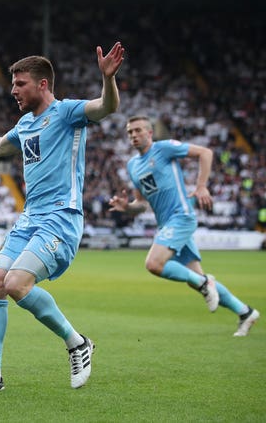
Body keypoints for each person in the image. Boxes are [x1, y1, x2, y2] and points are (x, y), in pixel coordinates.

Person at [0, 42, 125, 392]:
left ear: (42, 84)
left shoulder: (68, 112)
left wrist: (107, 79)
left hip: (60, 218)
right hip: (30, 219)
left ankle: (76, 342)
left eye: (20, 84)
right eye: (12, 84)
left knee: (16, 284)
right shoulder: (24, 123)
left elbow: (107, 107)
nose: (13, 91)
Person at [108, 115, 260, 336]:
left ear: (149, 133)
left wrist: (201, 187)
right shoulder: (132, 166)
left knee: (154, 264)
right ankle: (245, 312)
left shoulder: (164, 148)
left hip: (181, 216)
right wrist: (127, 207)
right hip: (166, 224)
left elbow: (205, 153)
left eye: (138, 130)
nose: (133, 135)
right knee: (193, 277)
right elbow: (141, 204)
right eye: (130, 132)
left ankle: (205, 282)